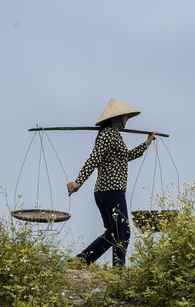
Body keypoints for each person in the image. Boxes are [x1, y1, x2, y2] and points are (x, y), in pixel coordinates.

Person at [67, 99, 156, 266]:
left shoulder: (114, 135)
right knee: (123, 233)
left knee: (113, 233)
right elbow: (94, 158)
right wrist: (78, 182)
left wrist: (147, 143)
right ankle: (118, 271)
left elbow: (126, 157)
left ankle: (80, 261)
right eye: (126, 117)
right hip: (111, 191)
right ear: (116, 118)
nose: (127, 120)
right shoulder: (108, 134)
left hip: (108, 191)